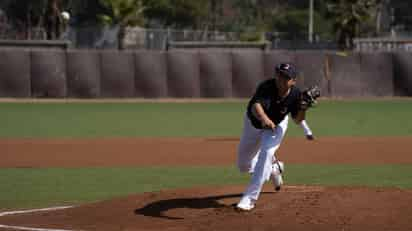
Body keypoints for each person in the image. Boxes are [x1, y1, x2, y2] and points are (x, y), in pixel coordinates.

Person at [236, 63, 314, 211]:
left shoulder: (295, 94)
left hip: (276, 126)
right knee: (243, 165)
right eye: (279, 74)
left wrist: (303, 107)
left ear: (293, 81)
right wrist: (264, 119)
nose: (281, 79)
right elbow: (256, 106)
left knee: (266, 153)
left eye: (285, 77)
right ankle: (273, 168)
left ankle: (249, 198)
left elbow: (297, 120)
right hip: (253, 124)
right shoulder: (267, 86)